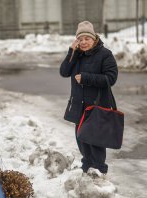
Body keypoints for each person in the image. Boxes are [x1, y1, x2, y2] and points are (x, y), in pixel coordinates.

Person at [59, 21, 118, 174]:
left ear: (94, 39)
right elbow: (64, 72)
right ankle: (87, 169)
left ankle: (99, 172)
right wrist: (71, 51)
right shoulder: (77, 55)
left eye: (87, 38)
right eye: (80, 39)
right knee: (82, 140)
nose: (83, 42)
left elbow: (110, 79)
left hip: (97, 106)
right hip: (79, 106)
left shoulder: (105, 54)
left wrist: (86, 78)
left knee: (95, 142)